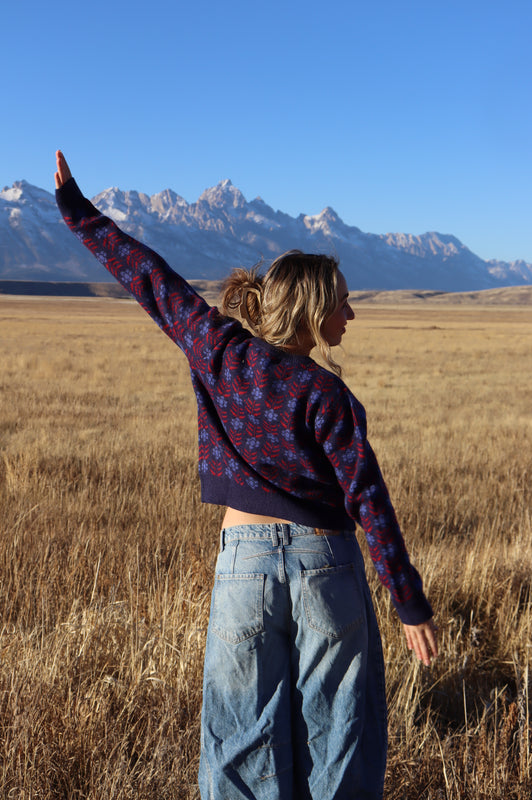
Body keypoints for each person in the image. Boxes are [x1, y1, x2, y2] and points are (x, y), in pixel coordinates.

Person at [54, 150, 438, 800]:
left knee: (240, 747)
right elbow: (368, 502)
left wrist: (78, 213)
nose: (352, 315)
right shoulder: (327, 396)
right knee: (338, 739)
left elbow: (149, 277)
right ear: (314, 312)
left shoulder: (216, 349)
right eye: (343, 304)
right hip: (328, 566)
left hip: (244, 569)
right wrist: (407, 603)